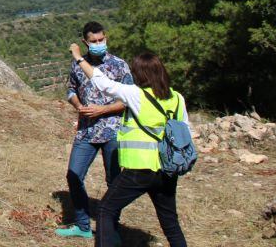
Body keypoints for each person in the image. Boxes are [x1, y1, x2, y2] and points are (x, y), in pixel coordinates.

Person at [69, 44, 189, 247]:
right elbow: (184, 130)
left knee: (106, 210)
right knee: (170, 223)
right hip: (168, 170)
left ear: (140, 74)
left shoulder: (136, 95)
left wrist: (79, 58)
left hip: (140, 169)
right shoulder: (177, 98)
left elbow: (102, 83)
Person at [56, 22, 133, 240]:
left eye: (101, 40)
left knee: (114, 180)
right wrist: (78, 105)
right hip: (86, 131)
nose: (99, 44)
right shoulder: (78, 65)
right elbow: (71, 89)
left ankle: (111, 228)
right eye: (94, 41)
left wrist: (103, 109)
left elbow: (129, 98)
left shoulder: (119, 65)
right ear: (85, 42)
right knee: (73, 174)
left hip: (113, 130)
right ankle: (82, 225)